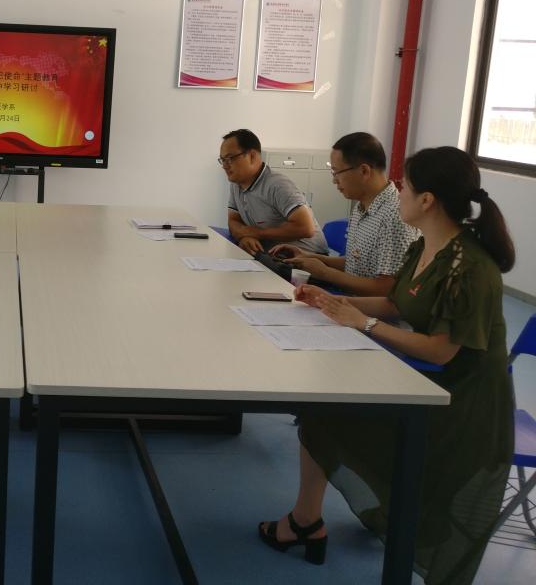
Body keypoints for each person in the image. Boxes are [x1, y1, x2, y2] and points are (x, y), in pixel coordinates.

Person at [258, 146, 514, 585]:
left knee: (335, 418)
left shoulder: (469, 267)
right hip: (427, 382)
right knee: (322, 412)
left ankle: (310, 522)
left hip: (463, 405)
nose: (398, 193)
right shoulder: (428, 246)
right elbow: (396, 303)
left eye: (406, 186)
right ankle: (306, 520)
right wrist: (331, 302)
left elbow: (440, 351)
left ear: (427, 200)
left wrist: (363, 322)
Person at [269, 132, 420, 296]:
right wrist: (311, 258)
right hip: (347, 301)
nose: (334, 180)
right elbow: (356, 265)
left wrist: (325, 273)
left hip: (364, 309)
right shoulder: (362, 207)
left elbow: (387, 289)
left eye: (336, 172)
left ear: (364, 171)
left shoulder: (395, 217)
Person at [220, 128, 328, 255]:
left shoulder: (277, 185)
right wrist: (244, 237)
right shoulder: (237, 184)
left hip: (307, 257)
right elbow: (233, 221)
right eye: (222, 160)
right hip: (272, 255)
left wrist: (257, 233)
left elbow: (306, 228)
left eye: (230, 158)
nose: (224, 166)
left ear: (252, 156)